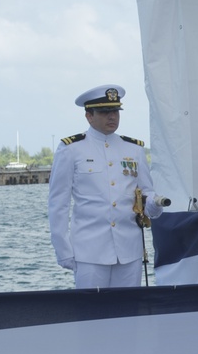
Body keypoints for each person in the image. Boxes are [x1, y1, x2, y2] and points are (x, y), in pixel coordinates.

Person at [48, 85, 164, 288]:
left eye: (115, 111)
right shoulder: (71, 149)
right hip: (89, 251)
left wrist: (154, 205)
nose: (112, 117)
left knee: (129, 312)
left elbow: (146, 192)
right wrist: (63, 249)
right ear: (89, 116)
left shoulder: (134, 149)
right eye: (104, 112)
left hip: (129, 249)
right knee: (91, 313)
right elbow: (58, 204)